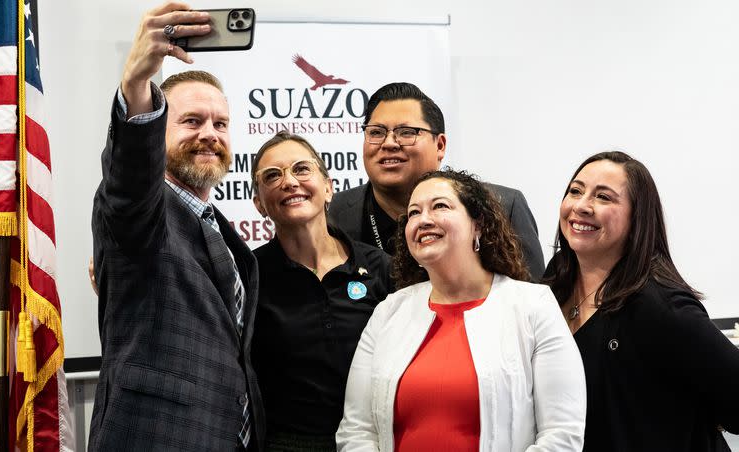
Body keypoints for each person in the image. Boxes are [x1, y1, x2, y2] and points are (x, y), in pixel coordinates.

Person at [89, 3, 263, 450]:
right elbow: (129, 186)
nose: (210, 133)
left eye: (221, 123)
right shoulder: (141, 210)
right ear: (158, 128)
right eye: (191, 121)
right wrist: (136, 86)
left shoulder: (224, 233)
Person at [337, 169, 586, 451]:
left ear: (478, 224)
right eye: (414, 213)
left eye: (440, 206)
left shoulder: (533, 306)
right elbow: (356, 431)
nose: (423, 220)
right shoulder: (388, 313)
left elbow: (562, 435)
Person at [544, 151, 739, 451]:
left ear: (638, 216)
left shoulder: (659, 304)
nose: (581, 206)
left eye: (604, 197)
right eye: (575, 191)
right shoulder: (558, 277)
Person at [249, 131, 393, 451]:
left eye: (302, 169)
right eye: (272, 176)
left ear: (329, 188)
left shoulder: (382, 268)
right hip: (286, 444)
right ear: (259, 203)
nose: (289, 182)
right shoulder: (248, 276)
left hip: (374, 442)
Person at [328, 82, 545, 280]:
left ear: (440, 145)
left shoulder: (504, 206)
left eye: (406, 132)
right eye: (376, 132)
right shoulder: (331, 213)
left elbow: (533, 304)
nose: (389, 143)